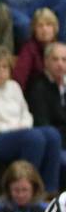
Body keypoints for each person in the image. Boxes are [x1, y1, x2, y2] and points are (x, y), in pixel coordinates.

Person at [0, 44, 61, 193]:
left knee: (52, 134)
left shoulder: (14, 86)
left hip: (16, 134)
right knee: (34, 138)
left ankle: (49, 191)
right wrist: (7, 127)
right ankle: (25, 190)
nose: (1, 72)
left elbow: (26, 113)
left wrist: (24, 125)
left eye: (5, 67)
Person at [27, 41, 66, 171]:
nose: (60, 64)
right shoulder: (37, 87)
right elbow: (43, 124)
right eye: (55, 59)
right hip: (54, 146)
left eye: (64, 59)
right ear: (46, 61)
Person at [13, 7, 59, 91]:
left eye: (48, 24)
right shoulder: (29, 49)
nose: (44, 29)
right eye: (40, 25)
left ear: (54, 28)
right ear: (34, 30)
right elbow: (19, 79)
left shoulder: (60, 49)